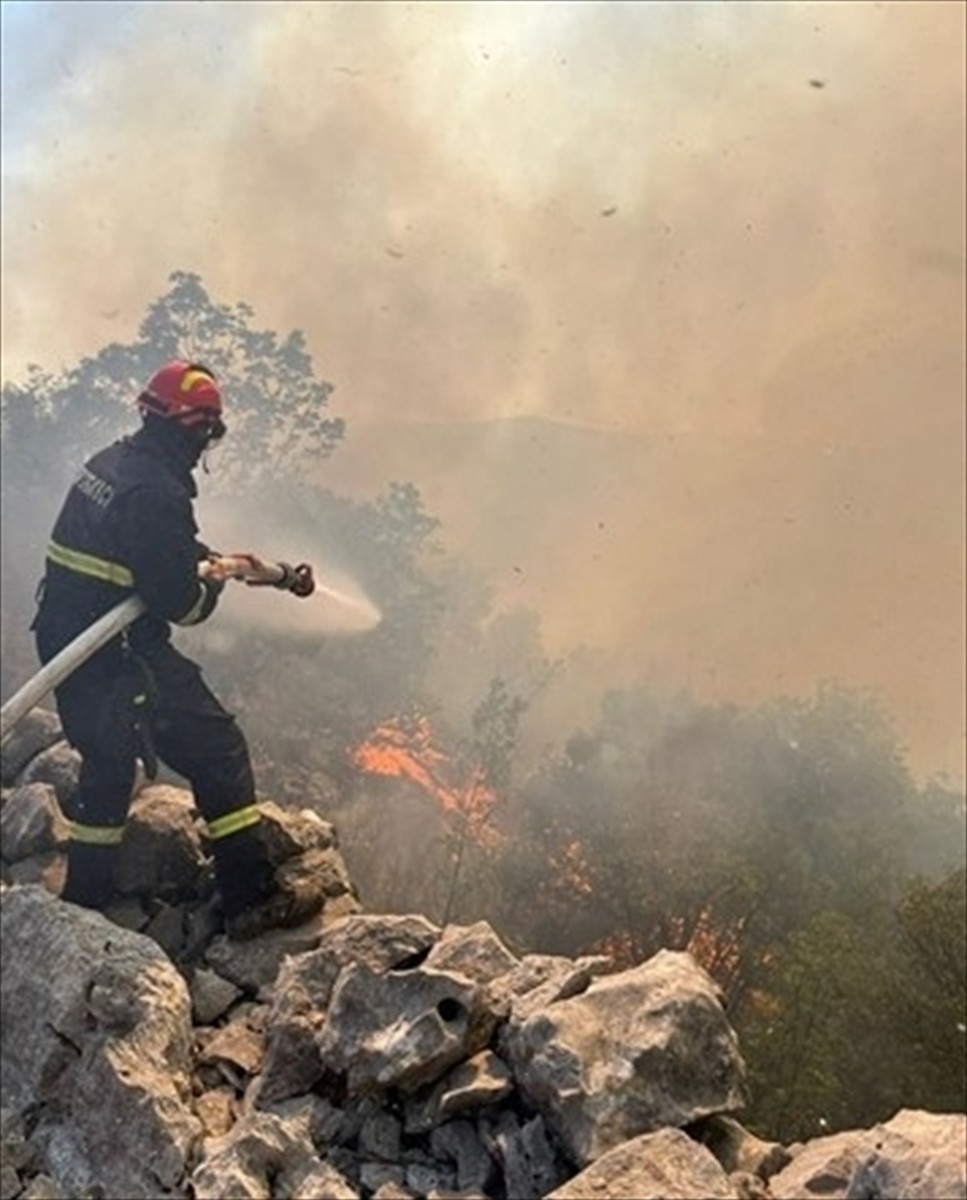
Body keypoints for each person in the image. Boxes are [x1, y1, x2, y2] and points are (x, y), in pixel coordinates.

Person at [31, 360, 322, 940]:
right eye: (205, 433)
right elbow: (180, 604)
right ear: (189, 429)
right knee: (218, 748)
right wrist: (211, 581)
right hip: (117, 655)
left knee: (108, 761)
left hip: (67, 639)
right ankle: (251, 896)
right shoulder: (157, 493)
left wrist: (228, 562)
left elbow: (154, 547)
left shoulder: (112, 463)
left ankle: (85, 900)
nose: (204, 447)